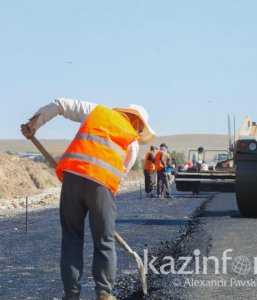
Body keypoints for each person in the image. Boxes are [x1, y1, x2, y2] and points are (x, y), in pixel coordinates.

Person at [21, 98, 156, 300]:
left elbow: (60, 104)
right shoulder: (132, 139)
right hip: (101, 187)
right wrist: (104, 208)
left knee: (72, 238)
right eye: (140, 128)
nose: (139, 132)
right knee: (104, 240)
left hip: (72, 180)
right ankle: (104, 293)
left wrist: (33, 124)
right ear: (137, 122)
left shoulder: (96, 111)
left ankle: (71, 294)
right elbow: (121, 174)